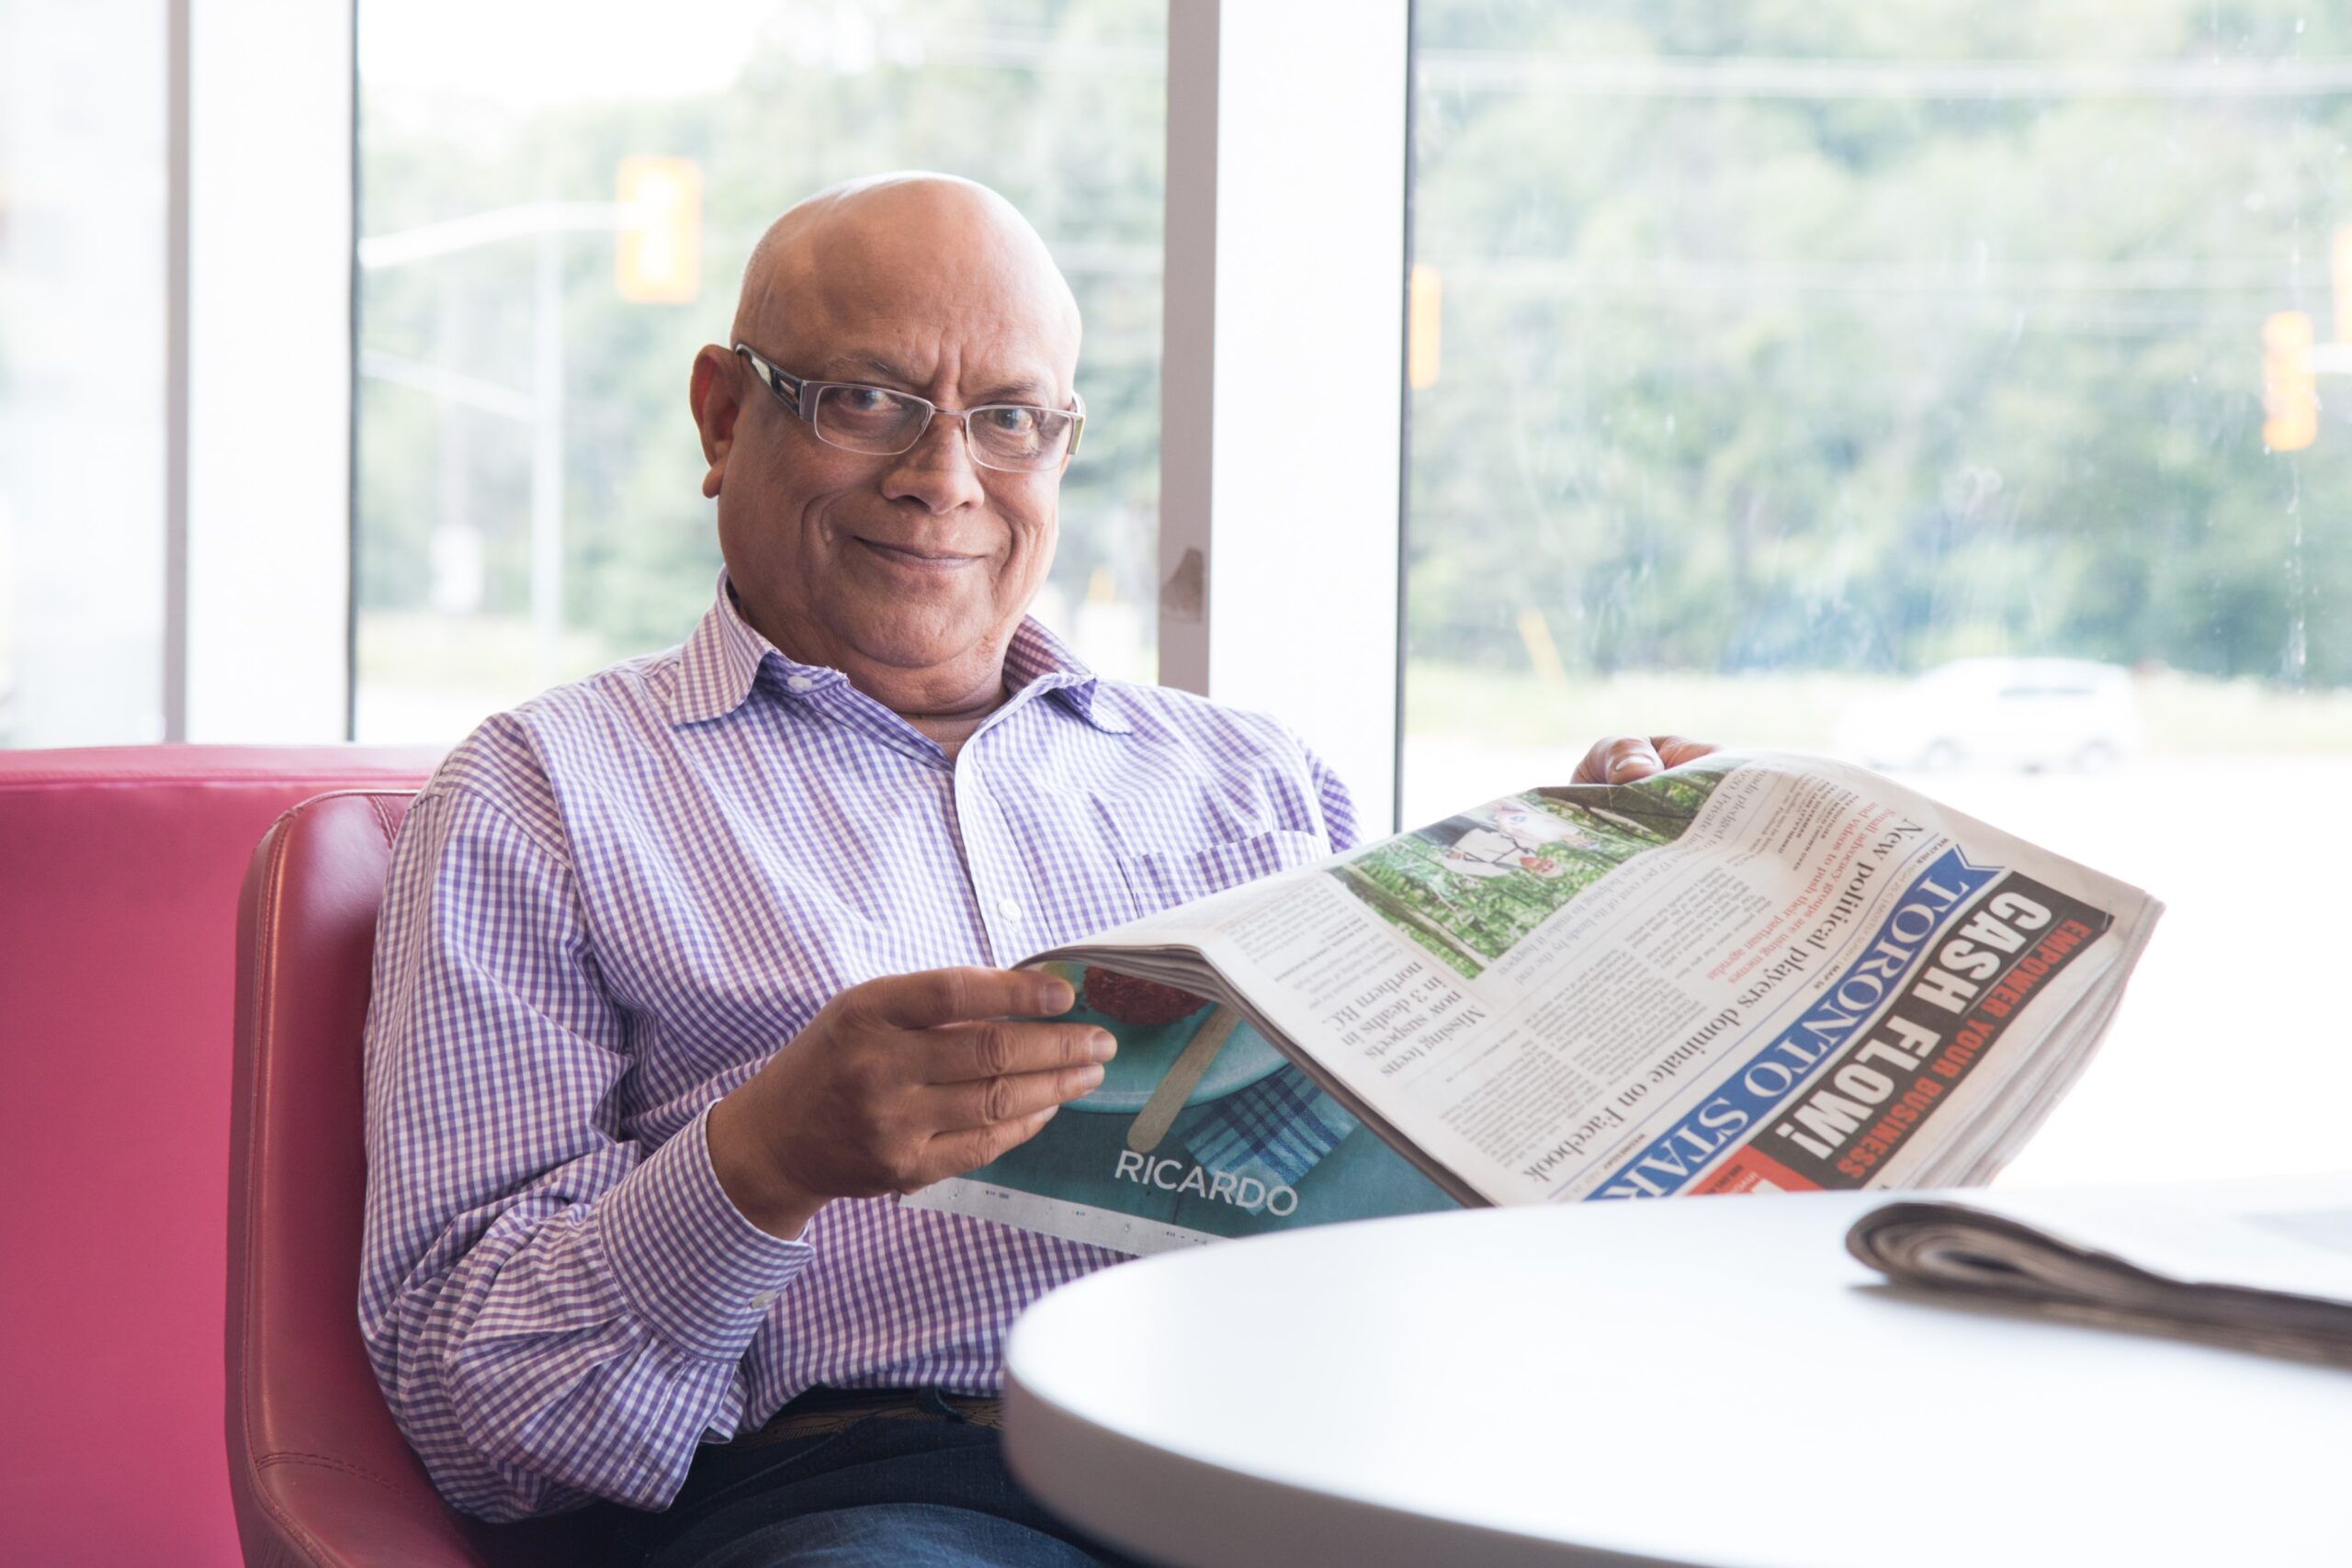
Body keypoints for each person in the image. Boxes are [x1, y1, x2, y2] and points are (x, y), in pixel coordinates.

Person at [358, 172, 1717, 1567]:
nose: (944, 480)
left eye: (1009, 420)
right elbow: (474, 1418)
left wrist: (1610, 930)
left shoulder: (1261, 779)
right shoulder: (544, 794)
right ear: (722, 415)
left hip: (1311, 1462)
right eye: (867, 400)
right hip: (895, 1491)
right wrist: (764, 1158)